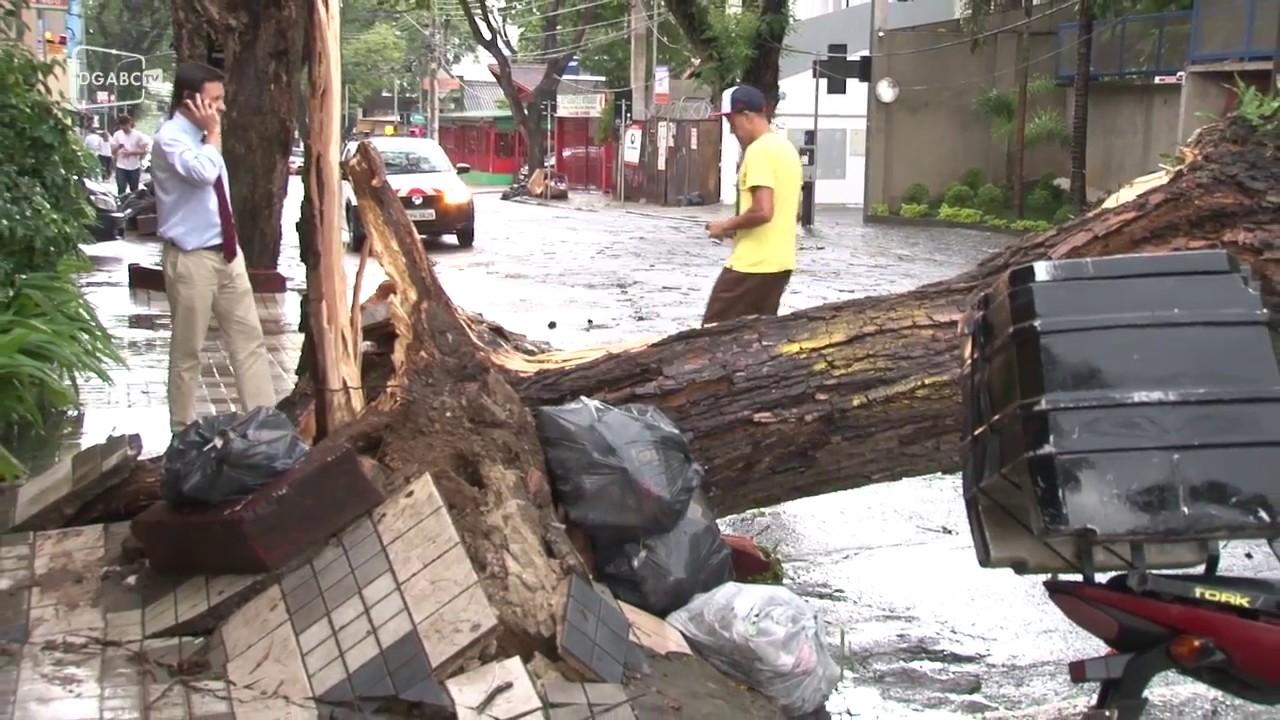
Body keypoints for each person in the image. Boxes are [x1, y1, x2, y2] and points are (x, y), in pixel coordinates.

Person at [151, 62, 274, 432]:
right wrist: (213, 134)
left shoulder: (206, 140)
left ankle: (264, 424)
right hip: (191, 260)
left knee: (249, 340)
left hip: (227, 254)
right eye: (214, 100)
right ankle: (181, 431)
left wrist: (210, 136)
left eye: (222, 100)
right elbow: (203, 174)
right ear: (191, 101)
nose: (221, 107)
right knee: (189, 350)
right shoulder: (170, 139)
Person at [702, 85, 803, 326]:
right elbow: (789, 211)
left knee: (709, 335)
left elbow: (763, 211)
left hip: (752, 265)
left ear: (747, 116)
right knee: (757, 339)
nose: (731, 130)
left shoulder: (758, 151)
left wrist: (725, 225)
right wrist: (737, 228)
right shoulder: (786, 149)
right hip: (780, 264)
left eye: (731, 121)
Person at [110, 114, 151, 195]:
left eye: (125, 124)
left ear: (129, 123)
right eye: (121, 125)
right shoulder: (117, 135)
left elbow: (145, 151)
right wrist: (118, 147)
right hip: (121, 166)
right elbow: (113, 152)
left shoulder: (138, 135)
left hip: (134, 166)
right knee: (121, 188)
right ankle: (121, 205)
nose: (123, 127)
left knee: (134, 189)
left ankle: (133, 205)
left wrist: (131, 152)